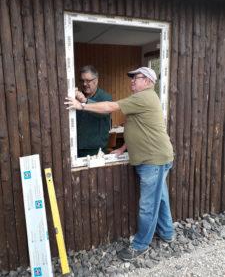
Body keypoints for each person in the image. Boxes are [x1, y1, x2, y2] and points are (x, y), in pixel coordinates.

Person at [65, 66, 174, 261]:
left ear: (148, 81)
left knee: (148, 206)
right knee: (161, 198)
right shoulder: (142, 99)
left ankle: (141, 245)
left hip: (153, 160)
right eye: (131, 78)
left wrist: (81, 105)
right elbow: (137, 126)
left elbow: (110, 107)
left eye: (136, 78)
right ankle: (167, 233)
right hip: (157, 158)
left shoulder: (144, 96)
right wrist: (123, 148)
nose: (132, 81)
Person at [75, 65, 112, 157]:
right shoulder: (78, 97)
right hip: (77, 147)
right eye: (82, 80)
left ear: (96, 80)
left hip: (96, 149)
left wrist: (84, 101)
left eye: (88, 81)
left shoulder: (105, 97)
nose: (84, 84)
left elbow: (104, 113)